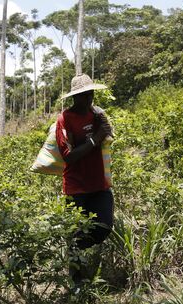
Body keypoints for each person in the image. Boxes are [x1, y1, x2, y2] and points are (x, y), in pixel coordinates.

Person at [55, 73, 114, 290]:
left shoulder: (97, 114)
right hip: (76, 187)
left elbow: (108, 137)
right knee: (76, 233)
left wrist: (103, 131)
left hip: (99, 183)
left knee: (105, 226)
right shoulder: (65, 119)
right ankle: (76, 284)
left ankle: (77, 251)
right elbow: (68, 155)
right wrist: (94, 139)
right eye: (83, 94)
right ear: (75, 97)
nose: (89, 98)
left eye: (90, 93)